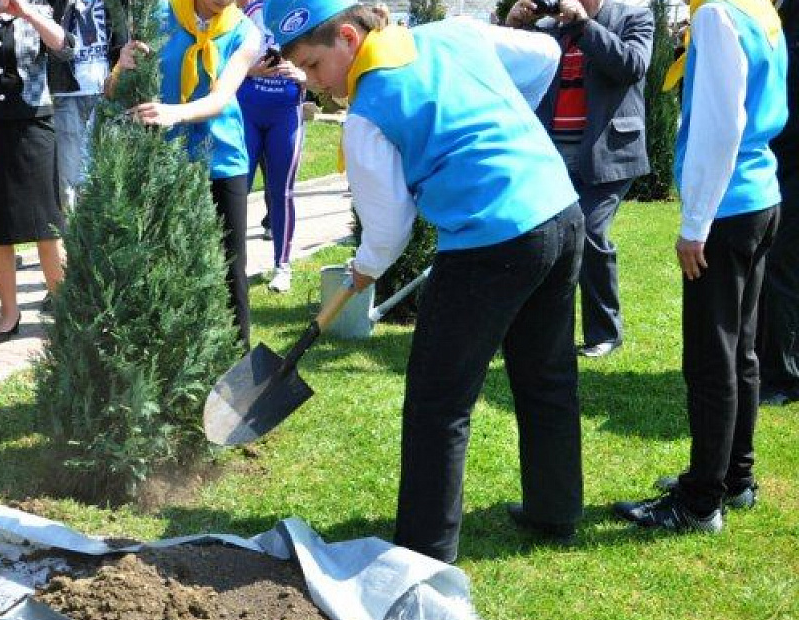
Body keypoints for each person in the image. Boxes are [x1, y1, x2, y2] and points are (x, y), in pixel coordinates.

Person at [267, 0, 585, 563]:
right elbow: (545, 52)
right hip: (558, 212)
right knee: (547, 374)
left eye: (315, 67)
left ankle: (424, 550)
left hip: (489, 240)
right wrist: (507, 126)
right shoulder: (454, 36)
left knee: (438, 401)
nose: (314, 85)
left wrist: (365, 266)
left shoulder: (369, 113)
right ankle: (554, 512)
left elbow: (388, 228)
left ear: (348, 37)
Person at [613, 0, 787, 532]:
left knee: (712, 359)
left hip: (728, 207)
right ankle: (734, 478)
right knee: (742, 352)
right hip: (759, 196)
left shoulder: (716, 14)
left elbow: (719, 126)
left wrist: (695, 224)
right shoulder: (757, 7)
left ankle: (701, 500)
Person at [507, 0, 653, 358]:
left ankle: (605, 331)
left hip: (609, 151)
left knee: (588, 232)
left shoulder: (633, 16)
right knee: (541, 238)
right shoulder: (548, 26)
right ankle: (540, 330)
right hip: (551, 153)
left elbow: (632, 66)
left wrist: (584, 25)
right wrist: (513, 29)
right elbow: (513, 71)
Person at [114, 0, 262, 347]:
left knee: (231, 267)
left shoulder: (246, 32)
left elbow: (221, 98)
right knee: (161, 263)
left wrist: (175, 113)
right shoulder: (159, 15)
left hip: (223, 159)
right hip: (162, 159)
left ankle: (239, 363)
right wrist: (121, 66)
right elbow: (115, 91)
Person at [0, 0, 73, 344]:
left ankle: (65, 306)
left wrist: (25, 11)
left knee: (46, 224)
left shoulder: (36, 9)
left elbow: (63, 46)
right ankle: (9, 312)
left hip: (33, 126)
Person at [238, 0, 307, 294]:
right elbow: (224, 59)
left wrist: (305, 77)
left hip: (286, 112)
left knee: (282, 192)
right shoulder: (246, 9)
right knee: (236, 190)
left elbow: (320, 62)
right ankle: (225, 265)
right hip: (248, 109)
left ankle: (283, 266)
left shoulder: (303, 9)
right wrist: (252, 71)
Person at [757, 0, 799, 406]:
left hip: (792, 159)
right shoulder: (776, 13)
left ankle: (784, 377)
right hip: (780, 157)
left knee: (781, 267)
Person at [49, 0, 129, 210]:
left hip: (108, 91)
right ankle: (73, 237)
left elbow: (123, 36)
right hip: (67, 92)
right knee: (69, 180)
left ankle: (102, 237)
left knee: (106, 175)